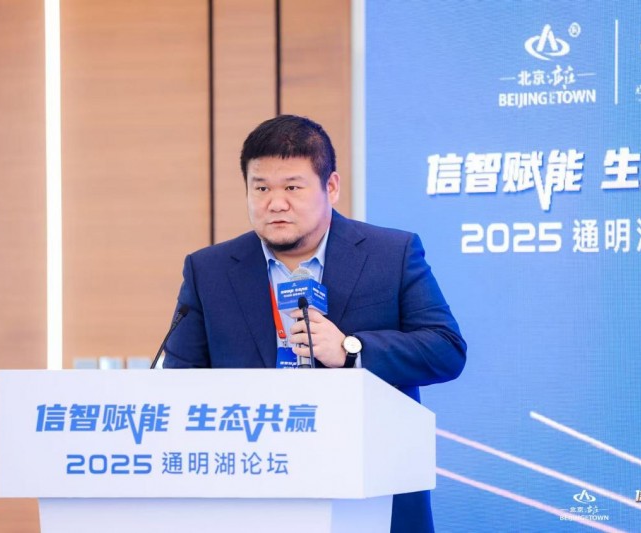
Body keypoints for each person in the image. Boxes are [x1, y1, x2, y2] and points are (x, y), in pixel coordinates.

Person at [164, 114, 466, 532]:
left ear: (332, 187)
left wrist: (351, 351)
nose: (276, 203)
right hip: (250, 494)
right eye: (261, 188)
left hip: (369, 492)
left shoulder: (391, 253)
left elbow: (446, 349)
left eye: (292, 187)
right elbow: (179, 383)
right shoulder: (209, 270)